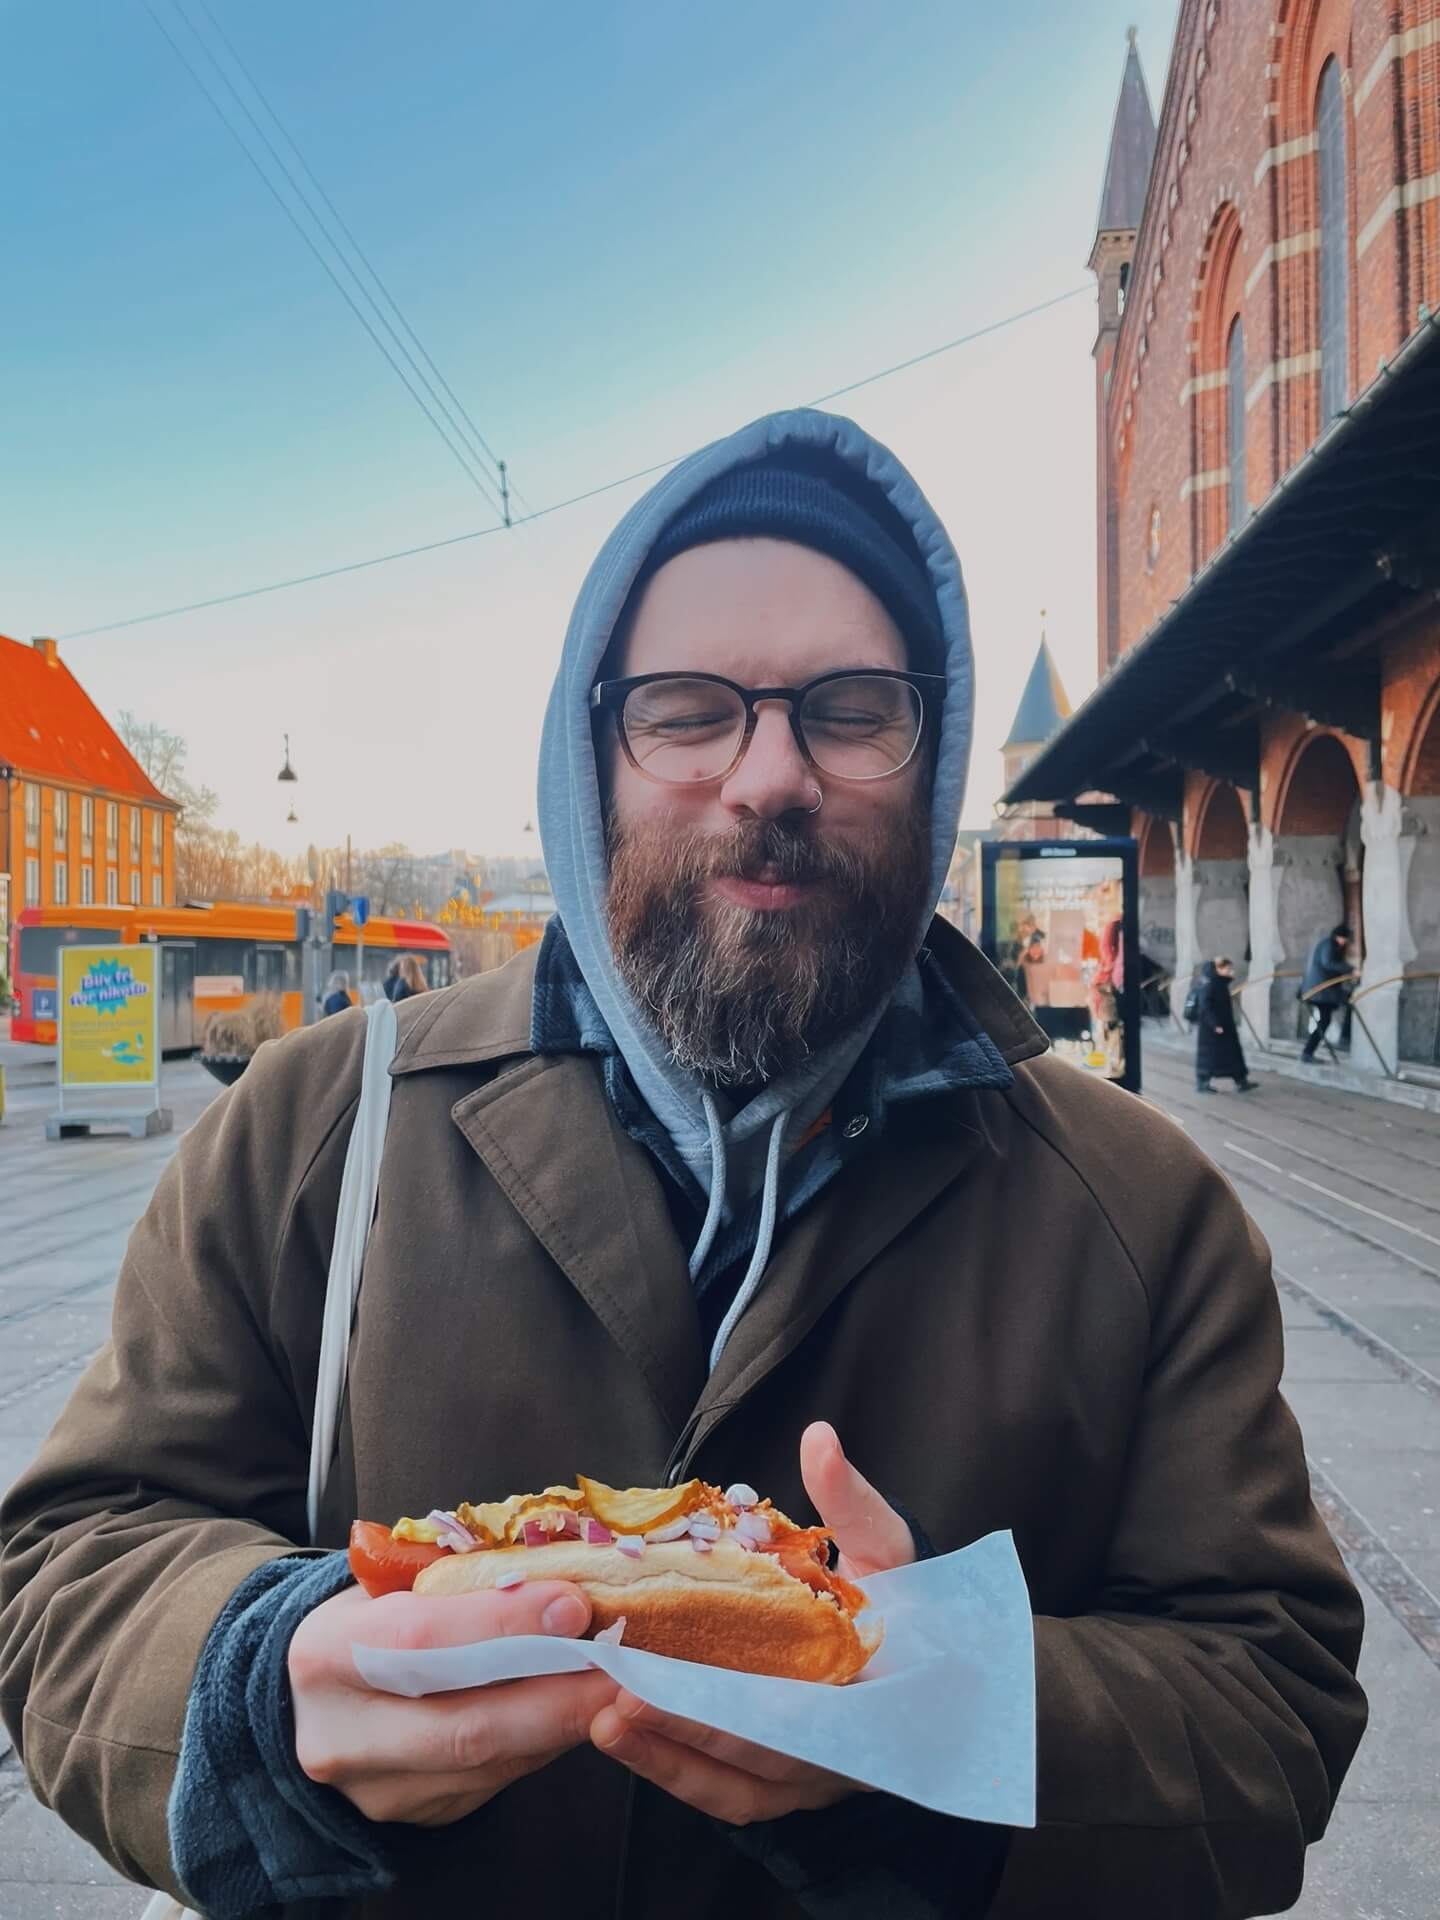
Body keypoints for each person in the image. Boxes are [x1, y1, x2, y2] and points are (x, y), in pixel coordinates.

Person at [0, 412, 1365, 1920]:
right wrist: (260, 1686)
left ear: (932, 764)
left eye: (852, 709)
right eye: (687, 710)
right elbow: (70, 1565)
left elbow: (1274, 1715)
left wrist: (957, 1715)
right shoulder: (316, 1125)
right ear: (589, 758)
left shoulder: (1144, 1213)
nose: (770, 775)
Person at [1194, 957, 1257, 1094]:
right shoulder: (1210, 984)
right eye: (1227, 969)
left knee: (1232, 1054)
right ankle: (1203, 1082)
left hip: (1224, 1026)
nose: (1230, 971)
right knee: (1210, 1056)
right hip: (1213, 1029)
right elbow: (1205, 1007)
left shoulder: (1219, 982)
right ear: (1218, 969)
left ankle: (1241, 1080)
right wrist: (1215, 1024)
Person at [1300, 923, 1357, 1063]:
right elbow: (1328, 963)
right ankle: (1308, 1052)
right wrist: (1351, 970)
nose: (1345, 943)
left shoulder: (1329, 945)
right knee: (1324, 1021)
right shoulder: (1328, 945)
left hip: (1324, 990)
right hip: (1321, 991)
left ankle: (1310, 1051)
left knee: (1326, 1020)